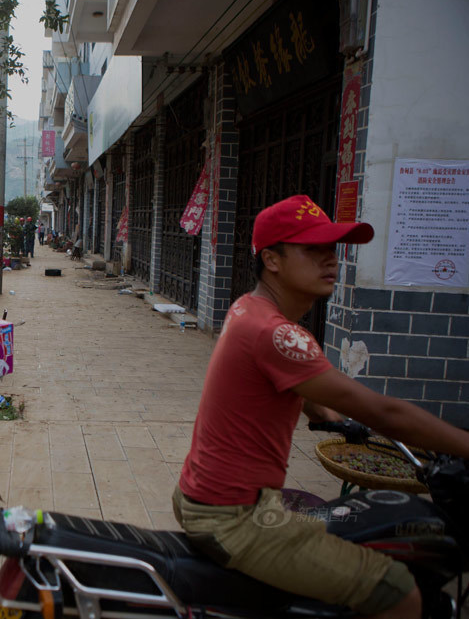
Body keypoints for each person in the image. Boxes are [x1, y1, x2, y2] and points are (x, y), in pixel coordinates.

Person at [173, 194, 469, 619]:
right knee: (397, 588)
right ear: (272, 260)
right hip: (234, 517)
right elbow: (386, 413)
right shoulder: (280, 335)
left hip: (202, 497)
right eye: (313, 250)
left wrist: (322, 413)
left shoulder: (247, 308)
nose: (331, 261)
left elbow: (293, 385)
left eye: (332, 250)